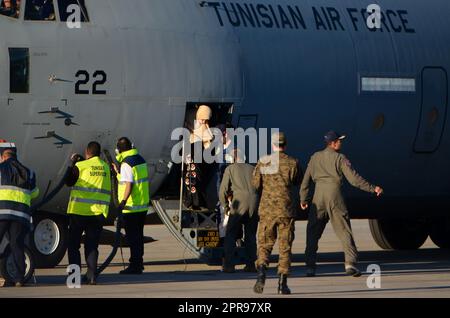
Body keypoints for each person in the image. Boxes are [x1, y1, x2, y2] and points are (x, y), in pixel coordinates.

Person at [300, 131, 384, 277]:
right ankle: (350, 263)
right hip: (335, 194)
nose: (341, 142)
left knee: (312, 233)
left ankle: (310, 267)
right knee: (344, 230)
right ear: (332, 143)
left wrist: (303, 199)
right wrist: (372, 188)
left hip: (318, 196)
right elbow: (354, 179)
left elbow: (306, 180)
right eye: (339, 141)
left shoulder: (315, 157)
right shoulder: (340, 158)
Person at [252, 132, 302, 295]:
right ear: (285, 145)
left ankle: (261, 276)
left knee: (264, 245)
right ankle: (282, 284)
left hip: (267, 211)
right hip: (285, 210)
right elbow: (297, 181)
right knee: (285, 247)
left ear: (273, 145)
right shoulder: (293, 162)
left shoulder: (263, 162)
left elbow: (255, 185)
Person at [66, 141, 111, 285]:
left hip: (79, 212)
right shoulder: (105, 167)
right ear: (99, 153)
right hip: (97, 213)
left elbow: (68, 182)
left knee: (73, 245)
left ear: (87, 152)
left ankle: (74, 277)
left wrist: (73, 163)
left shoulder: (81, 166)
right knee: (91, 246)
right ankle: (91, 276)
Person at [0, 141, 39, 287]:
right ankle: (19, 279)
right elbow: (35, 193)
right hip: (20, 215)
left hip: (2, 213)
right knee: (17, 245)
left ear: (3, 157)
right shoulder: (29, 172)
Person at [113, 137, 150, 274]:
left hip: (131, 207)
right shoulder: (140, 159)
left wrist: (122, 202)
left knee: (133, 238)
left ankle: (134, 265)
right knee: (138, 236)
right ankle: (138, 263)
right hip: (142, 207)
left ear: (119, 150)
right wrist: (118, 173)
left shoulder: (126, 164)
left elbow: (128, 184)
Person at [219, 149, 259, 273]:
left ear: (232, 159)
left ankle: (229, 265)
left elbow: (223, 191)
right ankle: (251, 264)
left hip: (239, 203)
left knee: (230, 233)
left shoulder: (230, 169)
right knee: (251, 234)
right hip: (254, 202)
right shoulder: (254, 168)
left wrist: (225, 206)